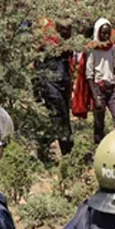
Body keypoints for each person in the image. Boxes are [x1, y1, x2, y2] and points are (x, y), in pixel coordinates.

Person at [35, 19, 74, 157]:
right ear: (57, 29)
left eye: (69, 30)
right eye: (64, 30)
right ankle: (62, 151)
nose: (68, 33)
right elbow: (38, 68)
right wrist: (38, 92)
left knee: (64, 119)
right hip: (51, 86)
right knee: (58, 118)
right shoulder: (47, 45)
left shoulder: (68, 44)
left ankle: (67, 153)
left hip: (63, 85)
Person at [87, 18, 115, 143]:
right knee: (99, 121)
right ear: (97, 33)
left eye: (108, 33)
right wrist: (95, 96)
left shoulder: (111, 47)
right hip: (99, 87)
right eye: (103, 33)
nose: (105, 36)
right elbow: (89, 74)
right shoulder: (92, 49)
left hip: (111, 86)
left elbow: (111, 67)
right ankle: (99, 146)